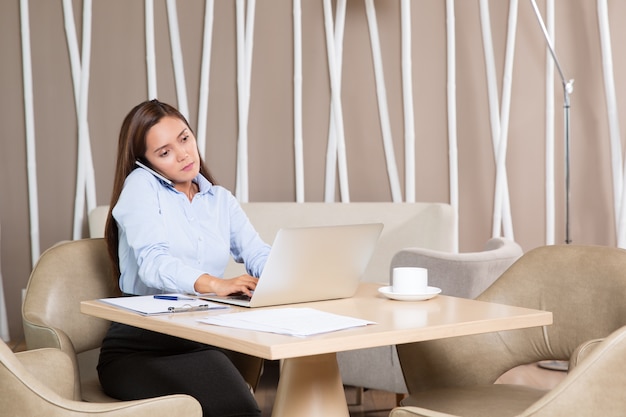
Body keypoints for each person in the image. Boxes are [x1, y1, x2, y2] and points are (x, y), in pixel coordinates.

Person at [97, 99, 271, 417]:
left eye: (185, 138)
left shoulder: (219, 200)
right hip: (139, 347)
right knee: (234, 403)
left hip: (199, 337)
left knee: (237, 399)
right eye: (164, 152)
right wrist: (215, 284)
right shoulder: (140, 187)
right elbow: (152, 262)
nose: (184, 155)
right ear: (145, 162)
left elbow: (256, 252)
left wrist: (287, 273)